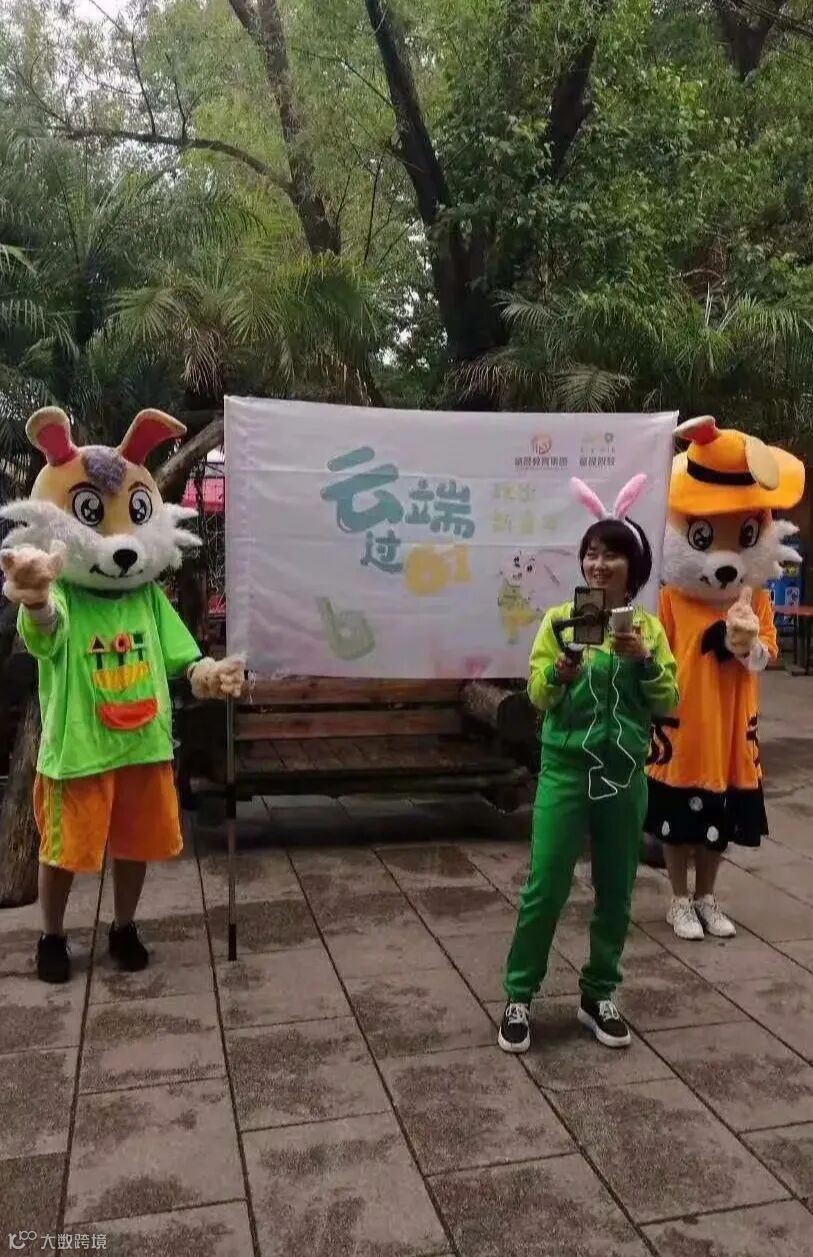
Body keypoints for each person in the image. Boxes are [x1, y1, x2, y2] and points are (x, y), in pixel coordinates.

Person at [0, 405, 244, 983]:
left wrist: (208, 674)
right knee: (62, 850)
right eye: (93, 516)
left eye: (133, 516)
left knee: (135, 845)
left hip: (143, 747)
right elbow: (44, 634)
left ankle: (124, 926)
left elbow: (183, 658)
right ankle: (52, 935)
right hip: (78, 752)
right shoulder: (67, 596)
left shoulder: (147, 598)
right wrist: (36, 599)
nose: (121, 542)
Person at [498, 474, 678, 1054]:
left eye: (611, 555)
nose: (598, 565)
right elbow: (537, 695)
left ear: (634, 566)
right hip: (566, 770)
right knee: (545, 885)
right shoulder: (560, 620)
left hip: (624, 774)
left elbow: (669, 702)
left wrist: (645, 661)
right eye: (591, 554)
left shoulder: (649, 630)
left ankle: (599, 993)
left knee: (617, 890)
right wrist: (560, 672)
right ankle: (519, 996)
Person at [645, 416, 805, 939]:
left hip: (734, 728)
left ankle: (707, 897)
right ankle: (678, 899)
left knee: (720, 819)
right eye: (704, 535)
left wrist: (748, 647)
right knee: (677, 821)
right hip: (682, 726)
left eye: (746, 535)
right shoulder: (669, 600)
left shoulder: (753, 598)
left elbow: (769, 653)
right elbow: (655, 655)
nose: (727, 559)